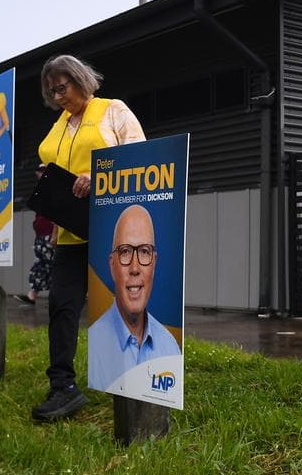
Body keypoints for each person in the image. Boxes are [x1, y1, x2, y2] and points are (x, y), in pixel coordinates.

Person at [33, 54, 145, 421]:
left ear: (81, 80)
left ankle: (134, 378)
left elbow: (140, 160)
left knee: (119, 307)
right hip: (69, 233)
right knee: (61, 307)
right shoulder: (61, 124)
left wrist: (99, 179)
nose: (58, 96)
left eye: (62, 88)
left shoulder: (113, 111)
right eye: (52, 92)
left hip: (111, 229)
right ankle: (62, 387)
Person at [87, 205, 180, 390]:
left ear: (154, 262)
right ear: (112, 265)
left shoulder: (170, 347)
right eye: (125, 251)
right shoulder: (95, 343)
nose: (135, 268)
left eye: (144, 251)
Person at [17, 188, 56, 306]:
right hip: (41, 237)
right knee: (41, 266)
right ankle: (32, 295)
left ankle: (51, 298)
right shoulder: (41, 198)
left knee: (52, 266)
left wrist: (53, 235)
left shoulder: (53, 196)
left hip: (49, 236)